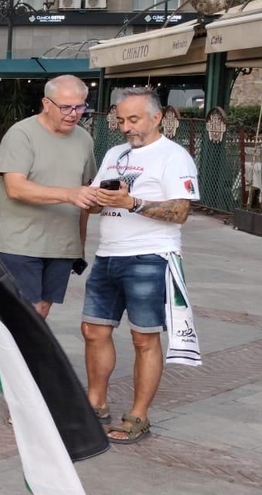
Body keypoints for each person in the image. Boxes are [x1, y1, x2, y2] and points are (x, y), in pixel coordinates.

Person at [80, 87, 200, 443]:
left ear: (157, 117)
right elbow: (99, 201)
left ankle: (137, 416)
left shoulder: (174, 156)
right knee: (93, 331)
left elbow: (179, 214)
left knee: (144, 339)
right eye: (121, 120)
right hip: (108, 255)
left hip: (151, 256)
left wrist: (132, 202)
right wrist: (92, 199)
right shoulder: (115, 153)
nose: (126, 127)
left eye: (133, 119)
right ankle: (95, 404)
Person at [0, 74, 101, 319]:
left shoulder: (84, 139)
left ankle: (23, 357)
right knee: (29, 311)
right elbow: (15, 188)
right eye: (65, 107)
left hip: (61, 244)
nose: (73, 114)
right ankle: (16, 357)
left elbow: (84, 194)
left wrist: (79, 243)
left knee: (42, 311)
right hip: (19, 242)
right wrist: (69, 195)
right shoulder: (22, 134)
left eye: (79, 106)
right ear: (46, 103)